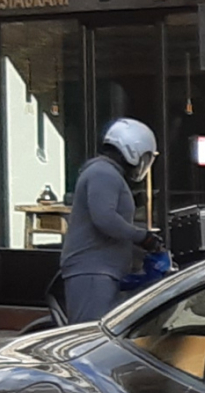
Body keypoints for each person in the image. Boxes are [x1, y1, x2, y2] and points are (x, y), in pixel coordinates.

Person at [59, 118, 157, 323]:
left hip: (102, 270)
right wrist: (142, 237)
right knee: (91, 339)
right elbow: (105, 219)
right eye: (145, 157)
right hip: (93, 270)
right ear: (133, 149)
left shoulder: (106, 173)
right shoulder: (103, 173)